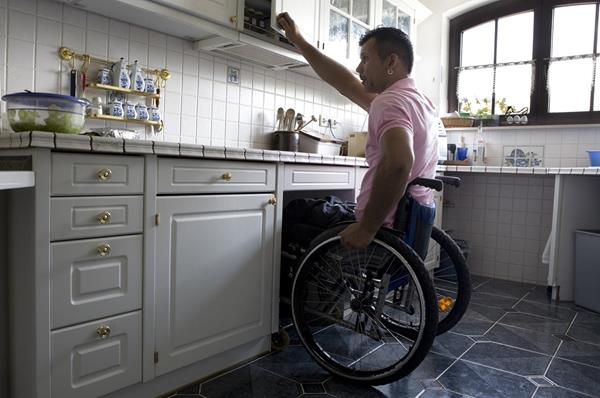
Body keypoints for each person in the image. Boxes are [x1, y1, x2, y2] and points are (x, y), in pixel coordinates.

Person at [276, 13, 439, 251]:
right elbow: (347, 84)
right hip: (409, 225)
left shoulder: (389, 102)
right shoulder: (420, 101)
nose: (358, 67)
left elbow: (399, 164)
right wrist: (299, 41)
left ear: (391, 62)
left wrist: (366, 229)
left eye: (365, 58)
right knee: (328, 205)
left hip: (381, 228)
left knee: (295, 210)